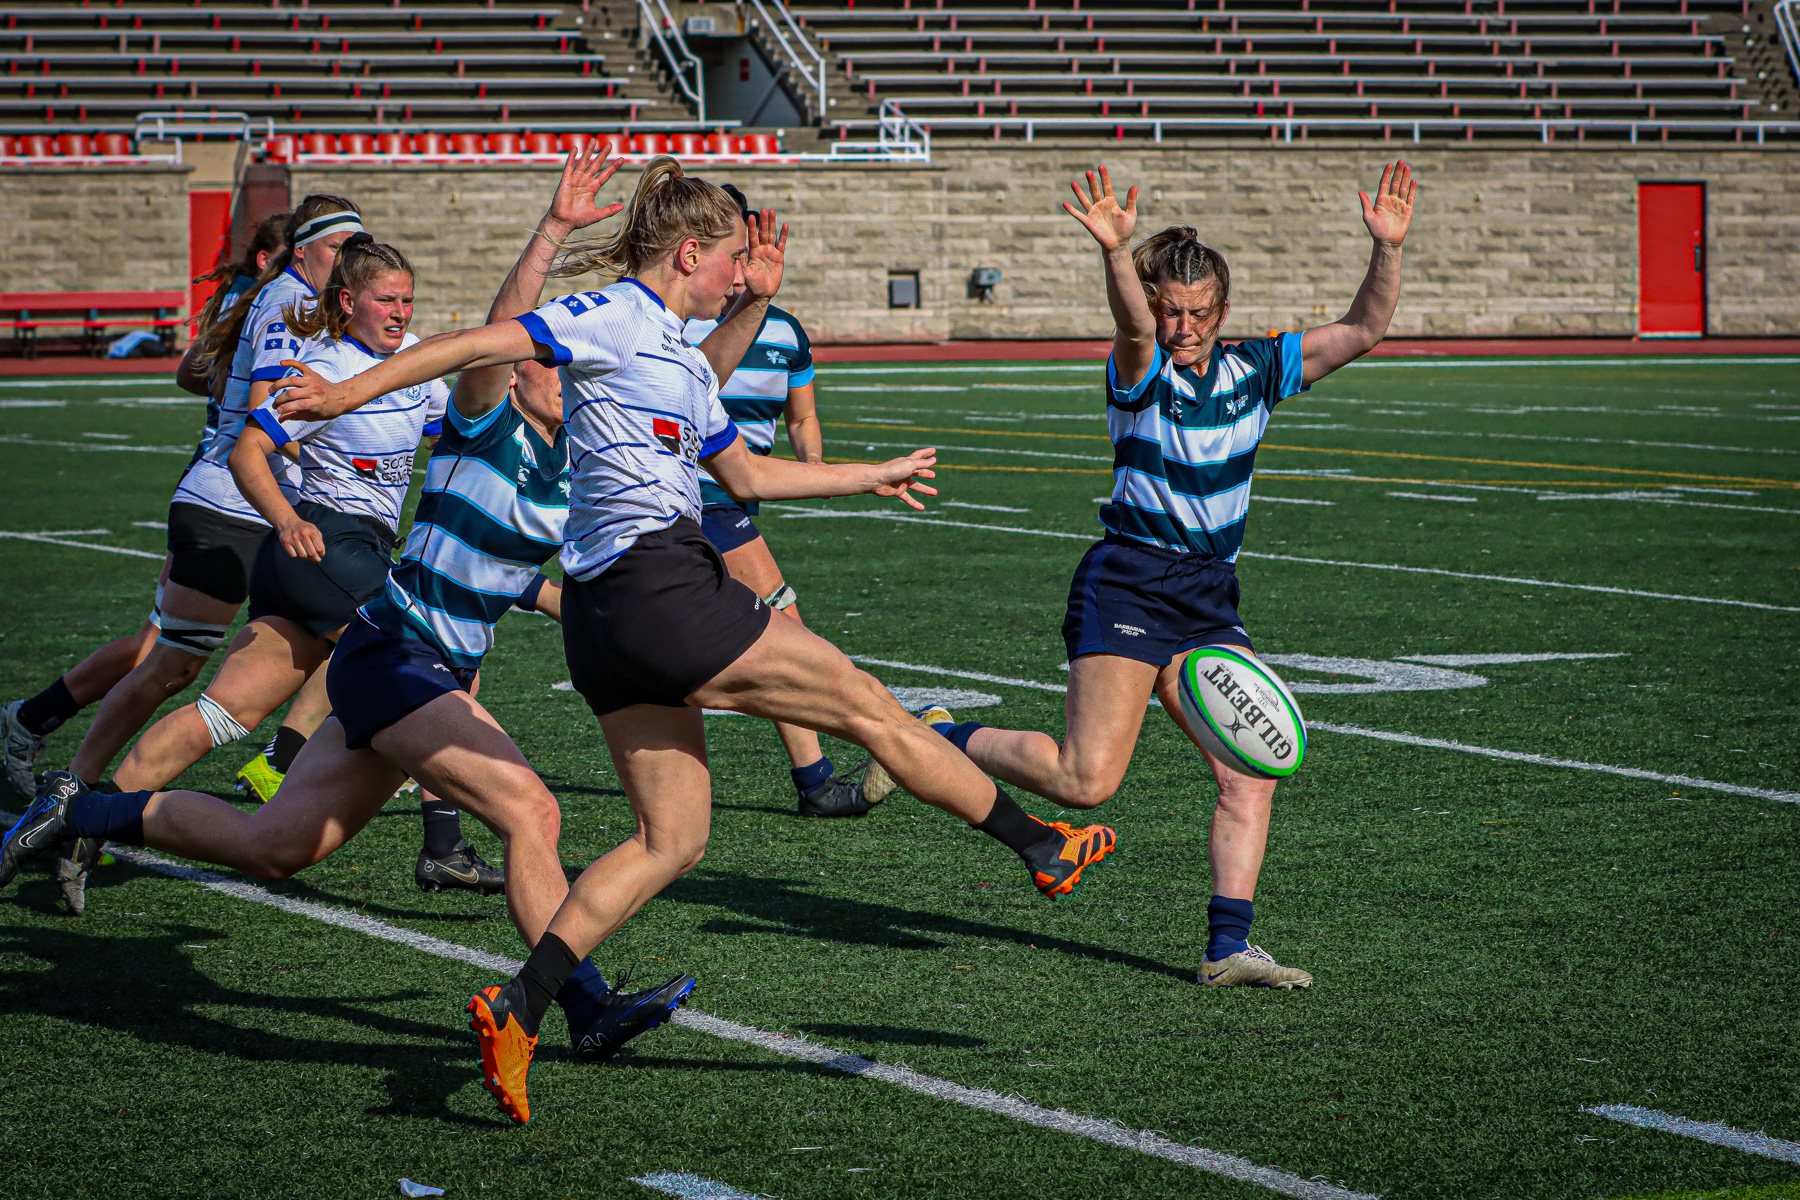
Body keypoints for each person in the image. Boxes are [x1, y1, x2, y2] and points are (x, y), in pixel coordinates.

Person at [259, 156, 1120, 1124]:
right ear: (687, 253)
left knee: (673, 837)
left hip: (604, 622)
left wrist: (866, 474)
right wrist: (344, 396)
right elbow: (477, 344)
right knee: (871, 708)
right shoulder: (617, 315)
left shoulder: (675, 355)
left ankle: (521, 1007)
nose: (739, 272)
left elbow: (746, 478)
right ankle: (1039, 843)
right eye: (731, 259)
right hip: (659, 586)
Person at [0, 144, 693, 1064]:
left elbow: (695, 404)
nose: (560, 369)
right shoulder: (481, 417)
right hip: (396, 650)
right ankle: (579, 1005)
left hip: (398, 658)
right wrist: (554, 228)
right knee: (532, 812)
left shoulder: (575, 470)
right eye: (548, 361)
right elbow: (501, 330)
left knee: (274, 846)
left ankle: (79, 810)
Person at [919, 161, 1418, 991]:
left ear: (1222, 310)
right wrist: (1117, 255)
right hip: (1129, 582)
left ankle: (1228, 949)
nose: (1183, 327)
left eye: (1198, 312)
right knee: (1085, 782)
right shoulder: (1140, 368)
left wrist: (1388, 249)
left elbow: (1363, 328)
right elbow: (1130, 325)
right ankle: (936, 737)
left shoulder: (1259, 369)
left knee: (1250, 770)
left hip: (1208, 595)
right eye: (1170, 310)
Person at [103, 235, 500, 883]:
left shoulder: (405, 365)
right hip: (325, 546)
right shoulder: (322, 369)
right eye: (386, 300)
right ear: (347, 302)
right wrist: (287, 519)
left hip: (339, 558)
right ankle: (444, 847)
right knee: (439, 660)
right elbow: (247, 451)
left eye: (407, 300)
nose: (400, 313)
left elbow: (452, 431)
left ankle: (84, 820)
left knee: (225, 713)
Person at [0, 213, 294, 913]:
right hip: (235, 497)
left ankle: (55, 761)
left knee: (173, 654)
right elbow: (208, 379)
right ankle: (57, 768)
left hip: (240, 493)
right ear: (275, 257)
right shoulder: (275, 300)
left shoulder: (266, 298)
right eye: (333, 247)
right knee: (169, 654)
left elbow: (196, 374)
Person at [680, 183, 889, 820]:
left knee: (710, 645)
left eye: (749, 251)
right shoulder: (680, 322)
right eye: (734, 252)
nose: (742, 264)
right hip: (698, 499)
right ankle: (831, 770)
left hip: (744, 495)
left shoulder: (787, 333)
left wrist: (815, 468)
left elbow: (801, 418)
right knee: (783, 626)